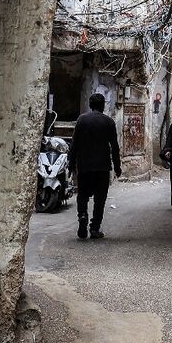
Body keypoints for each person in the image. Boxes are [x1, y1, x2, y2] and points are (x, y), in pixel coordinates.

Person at [70, 93, 121, 239]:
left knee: (83, 195)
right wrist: (117, 167)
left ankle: (82, 216)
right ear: (103, 105)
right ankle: (94, 228)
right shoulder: (109, 122)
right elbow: (115, 147)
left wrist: (71, 163)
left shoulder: (82, 120)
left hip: (85, 166)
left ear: (90, 105)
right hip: (102, 167)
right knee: (100, 199)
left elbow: (74, 144)